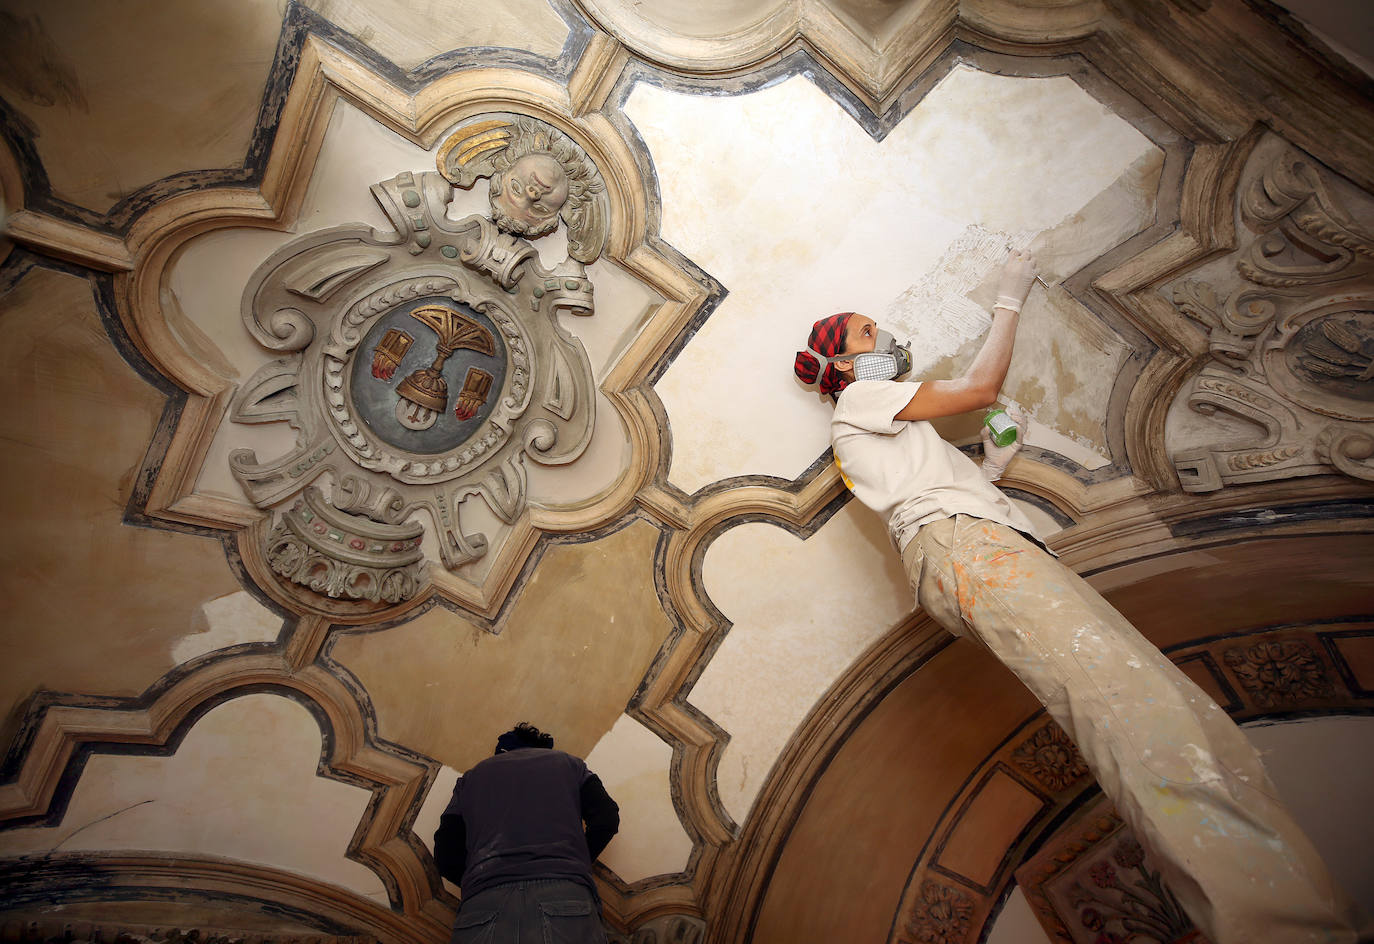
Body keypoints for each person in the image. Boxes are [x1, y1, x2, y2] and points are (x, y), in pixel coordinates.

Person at [793, 250, 1366, 944]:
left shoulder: (886, 424)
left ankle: (1280, 915)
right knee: (1139, 715)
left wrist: (993, 466)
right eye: (865, 334)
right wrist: (1010, 296)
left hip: (973, 549)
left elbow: (930, 492)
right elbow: (978, 388)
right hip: (967, 551)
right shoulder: (859, 397)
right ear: (845, 366)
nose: (884, 339)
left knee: (1164, 710)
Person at [434, 722, 620, 944]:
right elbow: (607, 818)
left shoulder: (471, 779)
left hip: (483, 905)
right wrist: (572, 862)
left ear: (501, 751)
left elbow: (445, 853)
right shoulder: (570, 765)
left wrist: (480, 877)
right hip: (564, 897)